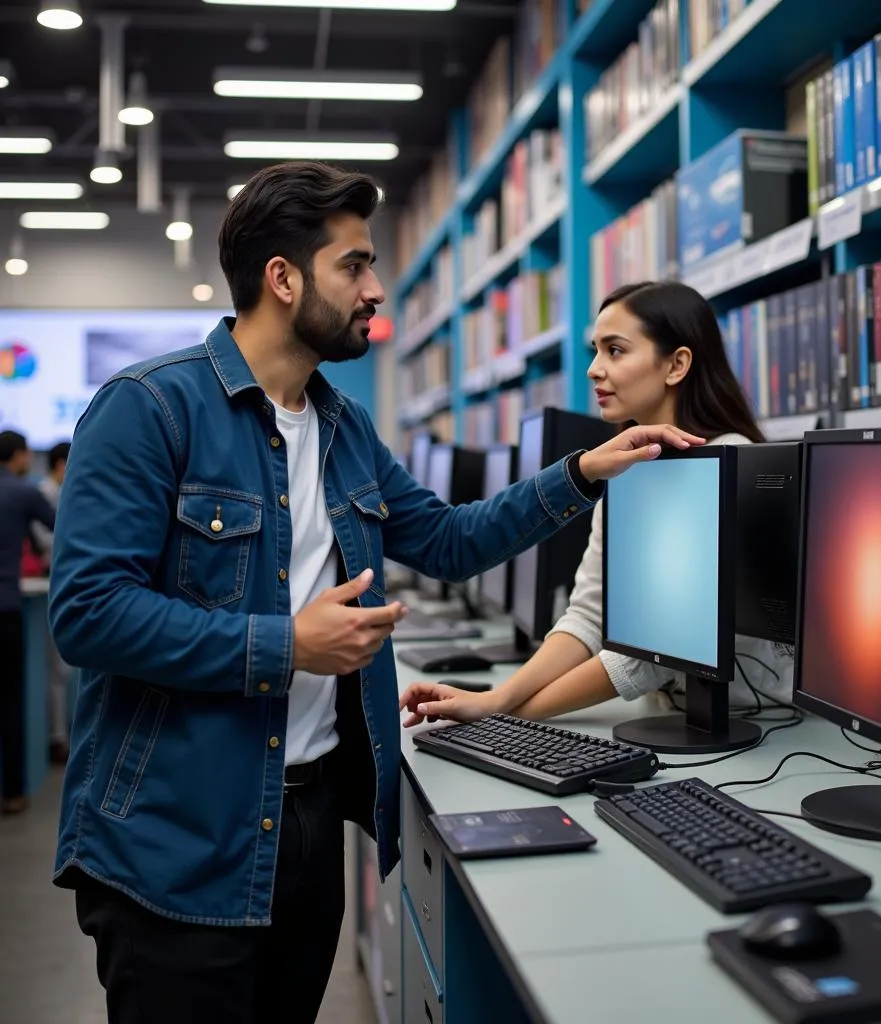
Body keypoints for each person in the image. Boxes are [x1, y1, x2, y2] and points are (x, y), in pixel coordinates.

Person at [47, 162, 702, 1024]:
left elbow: (449, 540)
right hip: (177, 844)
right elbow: (88, 612)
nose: (375, 288)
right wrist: (287, 646)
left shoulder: (344, 429)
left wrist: (582, 473)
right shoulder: (149, 409)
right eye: (354, 265)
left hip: (309, 832)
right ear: (282, 279)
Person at [400, 280, 794, 730]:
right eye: (595, 350)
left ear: (676, 365)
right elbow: (589, 614)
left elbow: (656, 653)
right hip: (671, 714)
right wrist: (497, 701)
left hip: (759, 726)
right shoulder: (627, 466)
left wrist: (501, 706)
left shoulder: (731, 462)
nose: (593, 369)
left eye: (616, 350)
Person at [0, 429, 57, 816]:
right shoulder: (22, 492)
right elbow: (61, 525)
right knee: (10, 701)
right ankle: (13, 791)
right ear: (20, 457)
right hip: (6, 606)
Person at [31, 440, 72, 763]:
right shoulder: (42, 493)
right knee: (56, 671)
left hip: (57, 580)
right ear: (61, 464)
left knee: (62, 672)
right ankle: (56, 738)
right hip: (48, 582)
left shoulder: (57, 493)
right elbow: (49, 538)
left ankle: (60, 734)